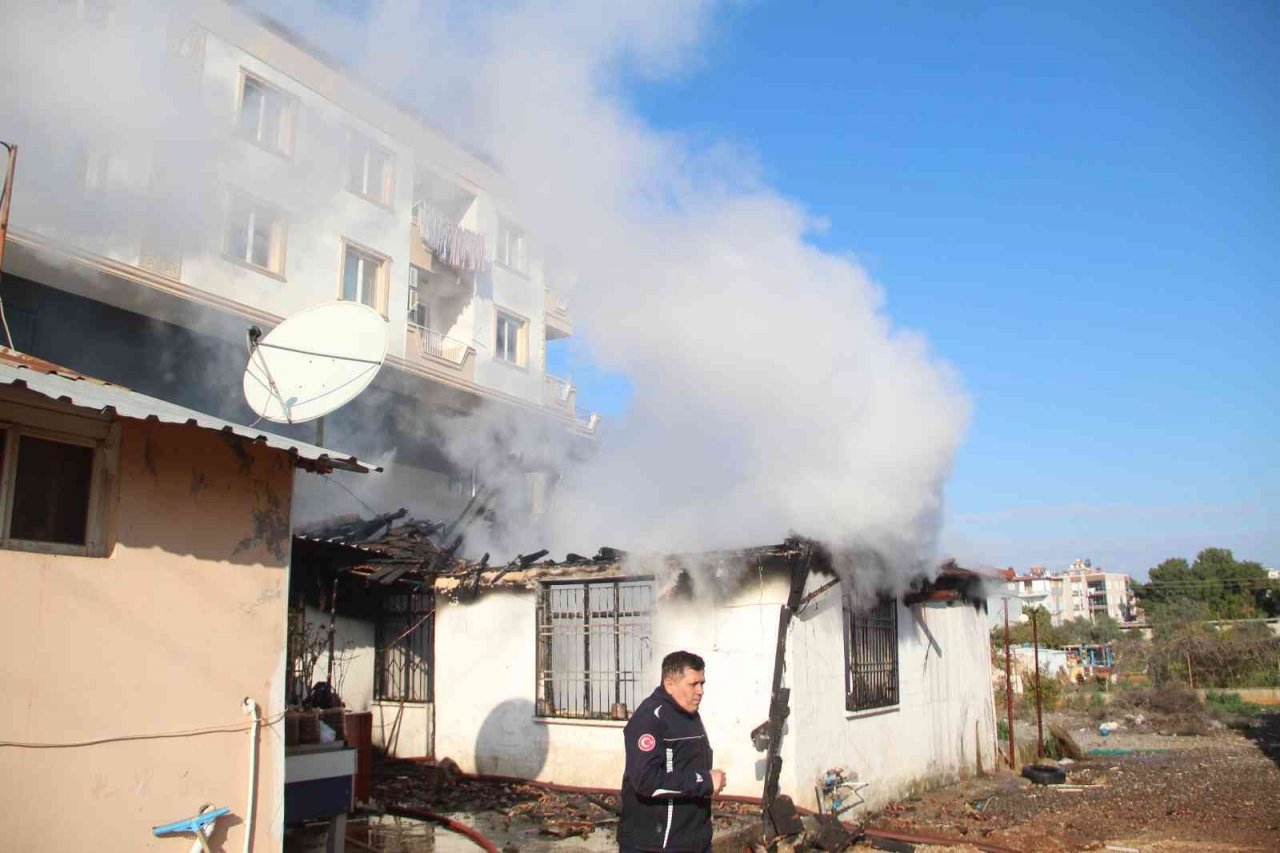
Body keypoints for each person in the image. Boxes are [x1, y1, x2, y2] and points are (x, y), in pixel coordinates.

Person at [619, 650, 726, 853]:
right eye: (693, 684)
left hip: (694, 840)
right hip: (655, 845)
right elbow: (645, 780)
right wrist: (704, 781)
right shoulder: (649, 719)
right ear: (669, 684)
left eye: (702, 683)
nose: (700, 691)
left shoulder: (690, 715)